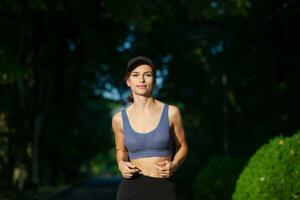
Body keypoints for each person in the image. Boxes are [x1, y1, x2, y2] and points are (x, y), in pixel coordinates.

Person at [112, 56, 188, 200]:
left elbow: (183, 146)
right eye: (135, 75)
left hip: (163, 187)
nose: (141, 80)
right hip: (131, 187)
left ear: (154, 80)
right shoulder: (118, 119)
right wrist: (121, 164)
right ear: (128, 81)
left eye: (147, 75)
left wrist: (175, 164)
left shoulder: (171, 112)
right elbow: (121, 150)